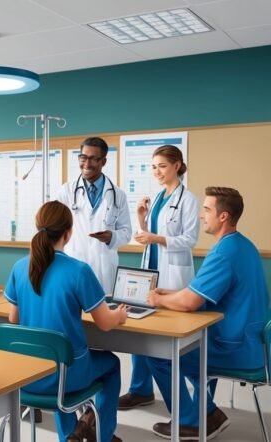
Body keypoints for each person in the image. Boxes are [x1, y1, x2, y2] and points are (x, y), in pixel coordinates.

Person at [145, 187, 268, 439]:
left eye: (207, 210)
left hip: (235, 350)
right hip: (253, 344)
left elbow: (190, 302)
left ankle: (192, 421)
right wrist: (172, 294)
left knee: (158, 353)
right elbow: (197, 292)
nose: (202, 216)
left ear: (223, 216)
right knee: (185, 347)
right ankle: (208, 413)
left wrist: (157, 300)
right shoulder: (243, 245)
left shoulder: (224, 252)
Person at [4, 201, 128, 442]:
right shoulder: (78, 271)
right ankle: (102, 436)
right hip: (65, 377)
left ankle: (70, 436)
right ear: (68, 234)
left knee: (59, 357)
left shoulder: (20, 267)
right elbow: (105, 323)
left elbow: (13, 319)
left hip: (26, 376)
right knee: (111, 364)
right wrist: (120, 315)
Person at [120, 145, 200, 410]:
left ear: (177, 165)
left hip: (173, 275)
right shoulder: (157, 197)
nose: (157, 171)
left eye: (162, 166)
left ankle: (186, 403)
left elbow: (190, 239)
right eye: (153, 167)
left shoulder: (188, 200)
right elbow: (149, 236)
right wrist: (141, 220)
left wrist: (155, 237)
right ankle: (140, 390)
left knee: (165, 339)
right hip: (151, 271)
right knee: (140, 332)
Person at [56, 137, 132, 293]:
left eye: (93, 159)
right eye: (83, 157)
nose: (86, 164)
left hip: (104, 270)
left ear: (103, 161)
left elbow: (126, 232)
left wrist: (112, 237)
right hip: (73, 263)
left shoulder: (118, 195)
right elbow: (53, 226)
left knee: (102, 313)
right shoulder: (66, 191)